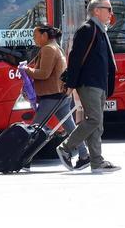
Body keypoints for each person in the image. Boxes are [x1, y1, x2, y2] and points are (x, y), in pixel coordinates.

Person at [57, 0, 120, 173]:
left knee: (97, 124)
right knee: (94, 120)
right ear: (96, 11)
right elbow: (75, 59)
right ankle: (66, 147)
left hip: (99, 83)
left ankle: (97, 162)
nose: (111, 13)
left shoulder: (101, 30)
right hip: (88, 83)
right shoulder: (87, 29)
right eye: (108, 9)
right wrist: (70, 83)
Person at [22, 24, 87, 168]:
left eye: (36, 36)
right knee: (70, 128)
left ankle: (24, 159)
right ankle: (84, 155)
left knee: (34, 129)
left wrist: (27, 70)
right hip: (61, 95)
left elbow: (44, 74)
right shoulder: (56, 47)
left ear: (44, 36)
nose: (34, 40)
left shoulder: (48, 49)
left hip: (52, 96)